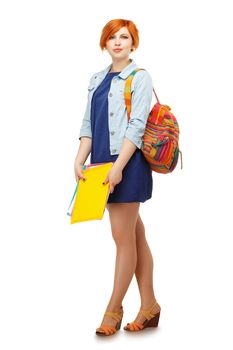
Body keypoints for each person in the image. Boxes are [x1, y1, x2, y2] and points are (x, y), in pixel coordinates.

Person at [74, 19, 161, 336]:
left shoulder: (139, 77)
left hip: (127, 162)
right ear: (104, 43)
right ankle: (150, 305)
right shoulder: (96, 79)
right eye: (112, 37)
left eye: (124, 37)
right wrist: (80, 159)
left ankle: (113, 309)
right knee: (134, 236)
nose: (118, 42)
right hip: (101, 165)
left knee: (122, 238)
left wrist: (119, 166)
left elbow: (136, 127)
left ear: (133, 42)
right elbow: (88, 124)